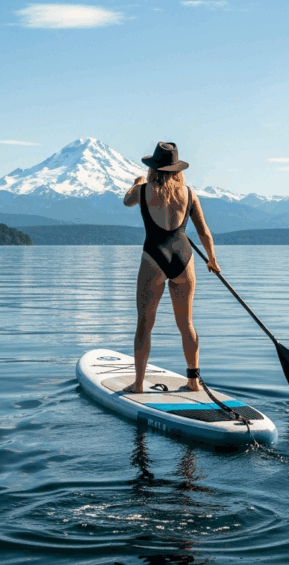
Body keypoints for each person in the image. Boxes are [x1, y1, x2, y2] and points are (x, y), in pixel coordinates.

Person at [122, 142, 220, 394]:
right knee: (186, 324)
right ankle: (193, 380)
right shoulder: (189, 192)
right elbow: (204, 232)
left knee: (144, 323)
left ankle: (138, 384)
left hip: (153, 259)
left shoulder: (143, 191)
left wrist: (136, 182)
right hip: (183, 260)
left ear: (154, 167)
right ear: (176, 169)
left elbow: (126, 201)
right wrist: (212, 260)